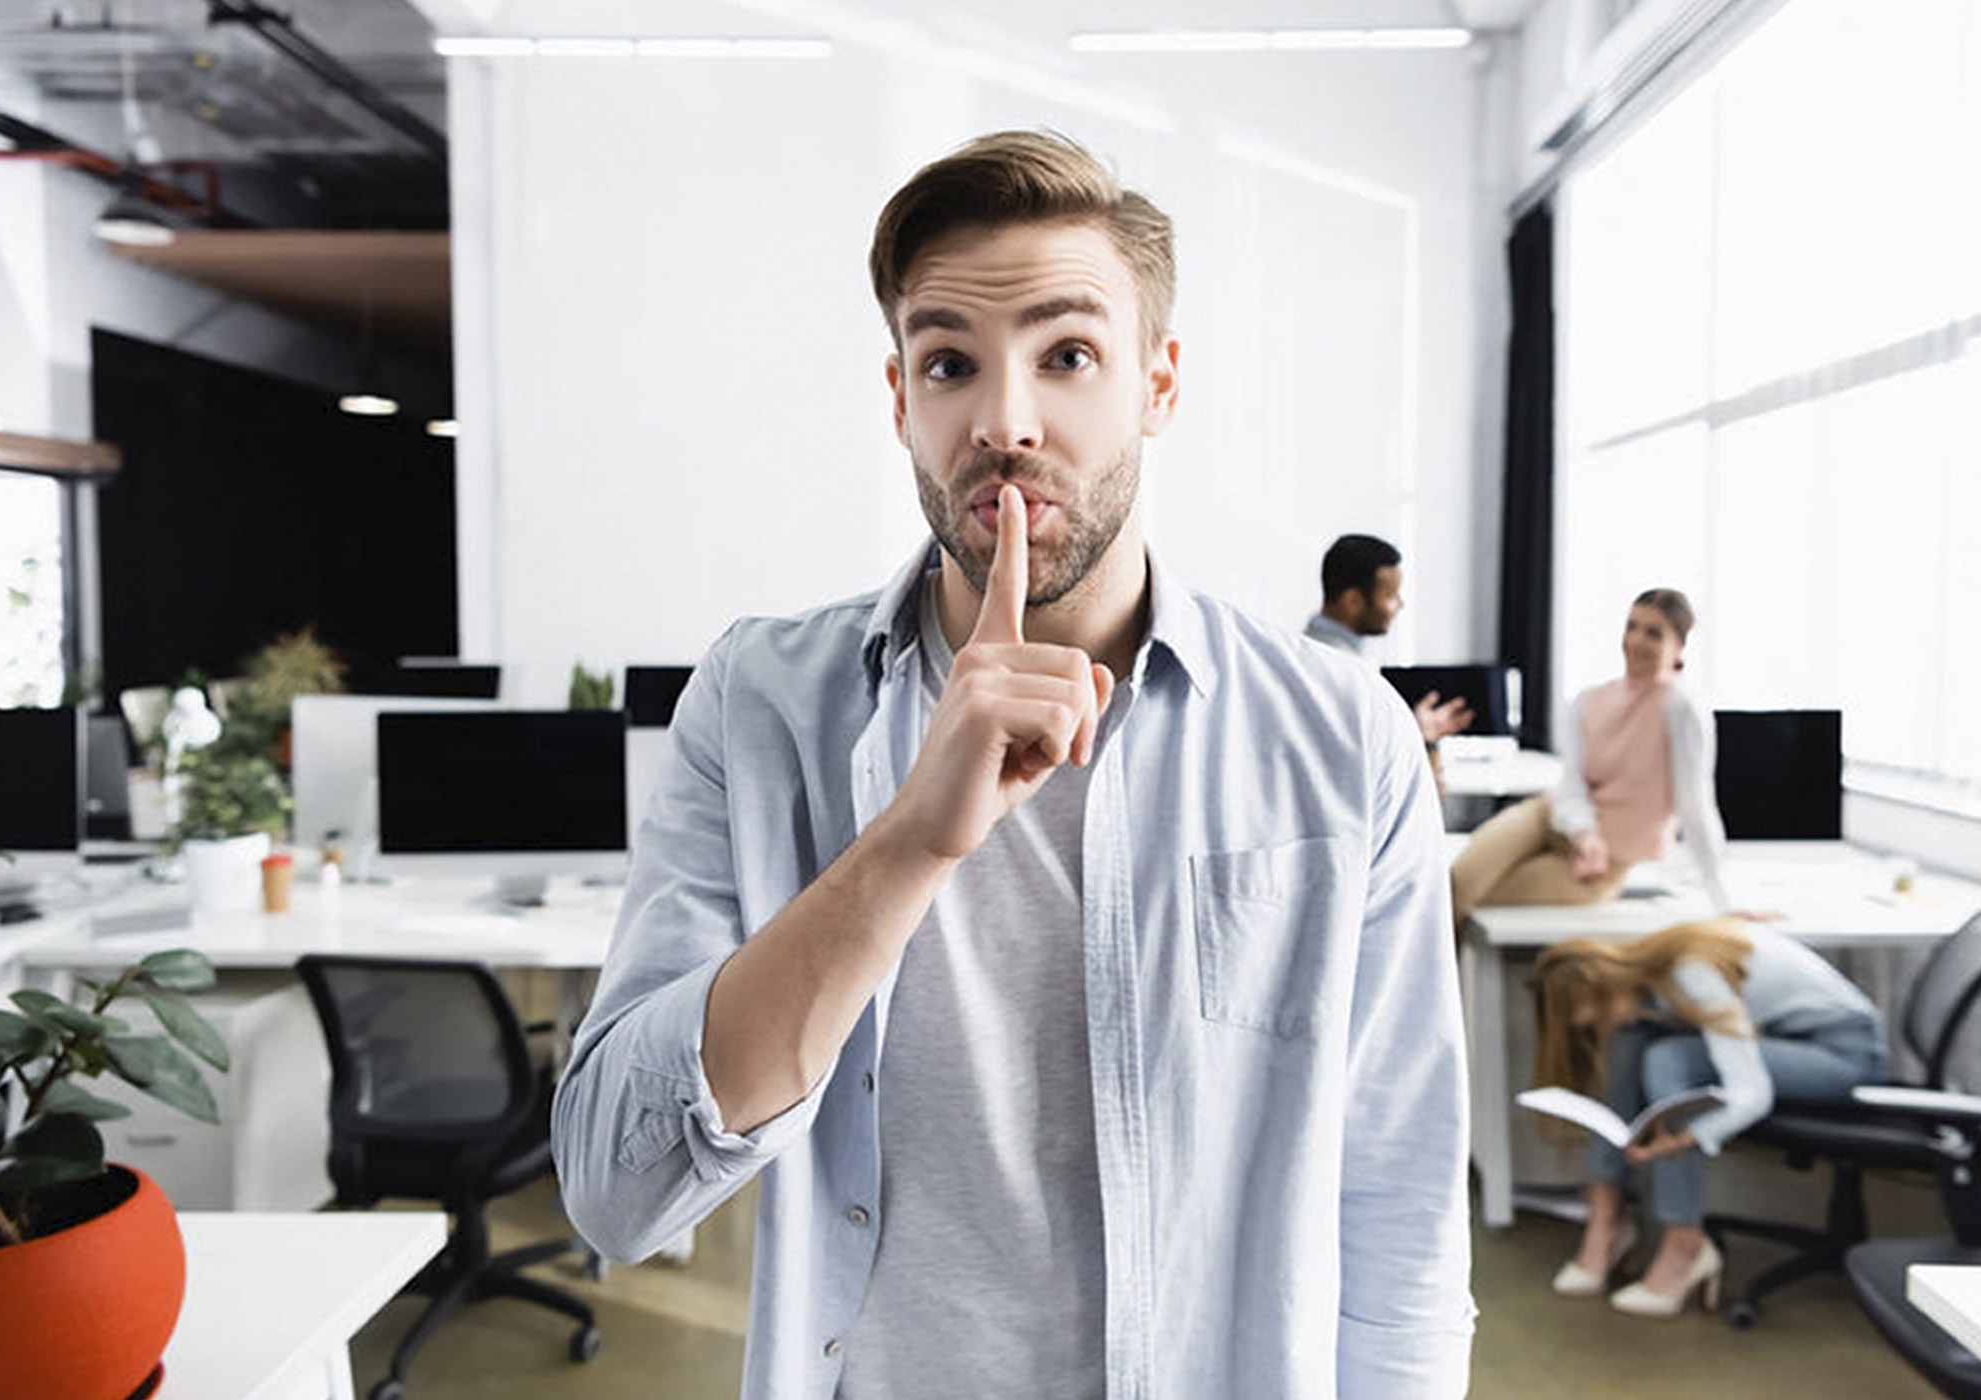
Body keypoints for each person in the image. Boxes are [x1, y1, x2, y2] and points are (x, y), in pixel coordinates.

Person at [551, 131, 1473, 1398]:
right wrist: (905, 845)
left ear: (1159, 382)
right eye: (950, 363)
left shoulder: (1336, 733)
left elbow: (1400, 1196)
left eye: (1069, 354)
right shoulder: (763, 705)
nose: (1004, 420)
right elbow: (617, 1190)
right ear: (900, 401)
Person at [1529, 919, 1886, 1316]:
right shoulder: (1652, 969)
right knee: (1632, 1042)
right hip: (1792, 1040)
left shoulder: (1690, 973)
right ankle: (1607, 1220)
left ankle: (1686, 1244)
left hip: (1844, 1056)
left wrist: (1689, 1137)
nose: (1602, 1029)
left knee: (1665, 1058)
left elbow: (1752, 1093)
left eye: (1597, 1020)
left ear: (1606, 982)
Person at [1450, 587, 1730, 927]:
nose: (1636, 640)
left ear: (1680, 646)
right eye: (1632, 626)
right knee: (1454, 883)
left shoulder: (1682, 709)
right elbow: (1572, 783)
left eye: (1653, 633)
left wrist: (1723, 903)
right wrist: (1586, 835)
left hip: (1606, 862)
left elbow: (1696, 805)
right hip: (1549, 819)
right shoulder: (1590, 700)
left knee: (1479, 900)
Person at [1305, 532, 1473, 745]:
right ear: (1353, 600)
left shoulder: (1327, 655)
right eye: (1391, 595)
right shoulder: (1337, 669)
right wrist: (1418, 737)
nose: (1400, 604)